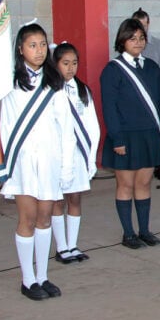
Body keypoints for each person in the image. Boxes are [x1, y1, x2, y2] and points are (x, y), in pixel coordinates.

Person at [0, 23, 76, 301]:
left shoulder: (55, 83)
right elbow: (6, 127)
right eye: (33, 45)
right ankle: (27, 279)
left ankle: (42, 275)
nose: (39, 50)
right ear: (20, 49)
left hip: (50, 161)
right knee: (27, 219)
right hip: (22, 164)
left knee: (46, 217)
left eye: (43, 44)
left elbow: (66, 128)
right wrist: (7, 166)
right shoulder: (9, 84)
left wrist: (66, 166)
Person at [100, 18, 160, 250]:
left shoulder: (152, 67)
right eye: (132, 38)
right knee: (125, 185)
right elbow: (109, 108)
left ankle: (144, 230)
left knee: (143, 183)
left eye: (141, 38)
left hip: (149, 134)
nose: (138, 42)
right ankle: (128, 233)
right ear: (122, 41)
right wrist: (117, 138)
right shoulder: (113, 70)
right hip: (125, 136)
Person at [50, 43, 100, 263]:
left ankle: (73, 245)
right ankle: (61, 247)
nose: (70, 68)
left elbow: (93, 125)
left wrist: (91, 158)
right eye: (65, 63)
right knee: (57, 202)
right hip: (58, 154)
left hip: (79, 153)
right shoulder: (50, 91)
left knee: (75, 199)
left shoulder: (83, 90)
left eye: (74, 63)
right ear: (55, 64)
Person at [132, 8, 160, 181]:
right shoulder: (128, 44)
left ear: (148, 25)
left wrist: (157, 88)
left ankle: (158, 165)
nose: (141, 28)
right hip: (135, 96)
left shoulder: (156, 44)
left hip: (154, 95)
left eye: (144, 25)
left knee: (157, 131)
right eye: (137, 24)